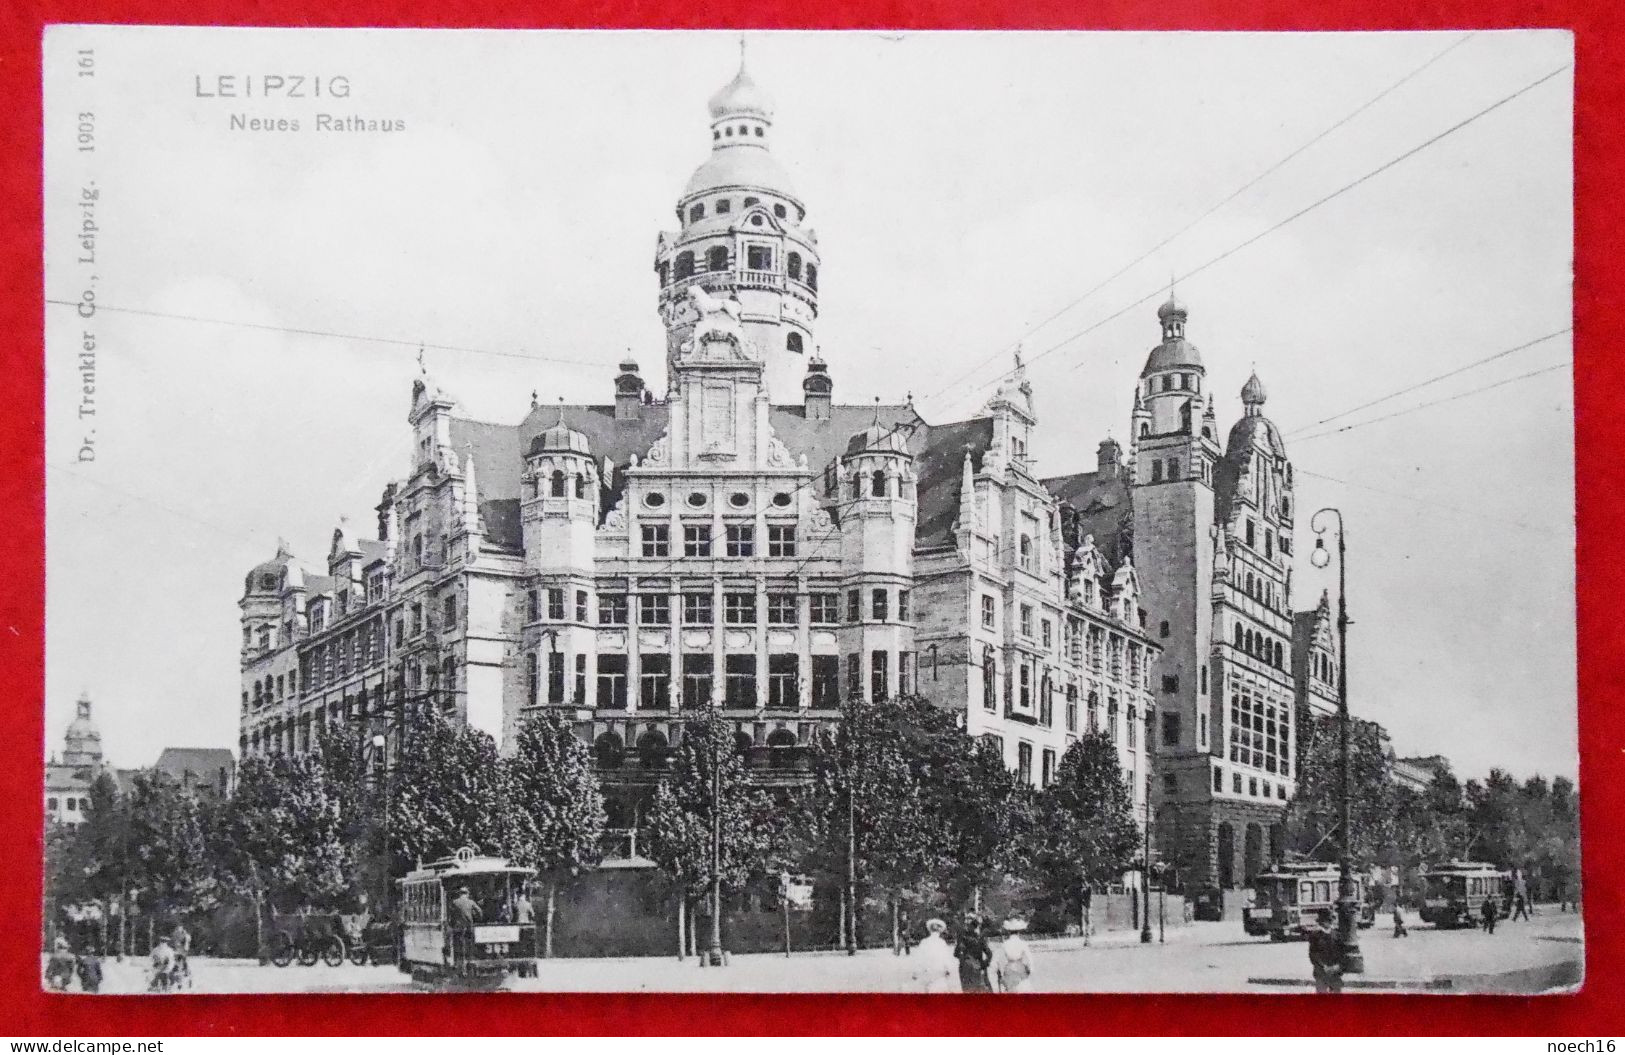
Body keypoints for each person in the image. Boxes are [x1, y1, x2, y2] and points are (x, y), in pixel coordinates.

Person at [911, 918, 957, 993]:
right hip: (939, 973)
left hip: (927, 972)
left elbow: (919, 959)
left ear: (930, 930)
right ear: (940, 931)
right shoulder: (942, 943)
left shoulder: (924, 942)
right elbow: (946, 959)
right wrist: (948, 969)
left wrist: (916, 972)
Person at [993, 918, 1035, 993]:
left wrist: (1000, 972)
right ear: (1019, 932)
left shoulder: (1005, 944)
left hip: (1009, 968)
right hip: (1020, 967)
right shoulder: (1023, 943)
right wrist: (1030, 969)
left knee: (1011, 990)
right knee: (1022, 988)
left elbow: (998, 960)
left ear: (1009, 932)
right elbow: (1029, 958)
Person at [953, 914, 992, 993]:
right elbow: (989, 954)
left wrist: (963, 959)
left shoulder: (963, 939)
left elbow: (955, 954)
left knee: (967, 990)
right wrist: (984, 963)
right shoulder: (980, 939)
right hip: (978, 967)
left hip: (966, 969)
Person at [1308, 908, 1343, 994]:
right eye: (1325, 921)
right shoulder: (1315, 936)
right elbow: (1313, 954)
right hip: (1321, 972)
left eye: (1329, 920)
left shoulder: (1337, 935)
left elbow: (1342, 953)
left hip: (1335, 971)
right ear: (1321, 922)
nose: (1327, 923)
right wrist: (1323, 966)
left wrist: (1338, 965)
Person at [450, 884, 482, 964]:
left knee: (458, 945)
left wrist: (452, 924)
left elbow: (451, 915)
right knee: (469, 944)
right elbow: (479, 911)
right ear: (467, 894)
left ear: (460, 894)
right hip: (469, 926)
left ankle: (459, 962)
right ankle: (469, 960)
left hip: (458, 927)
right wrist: (478, 919)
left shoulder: (455, 902)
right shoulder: (471, 902)